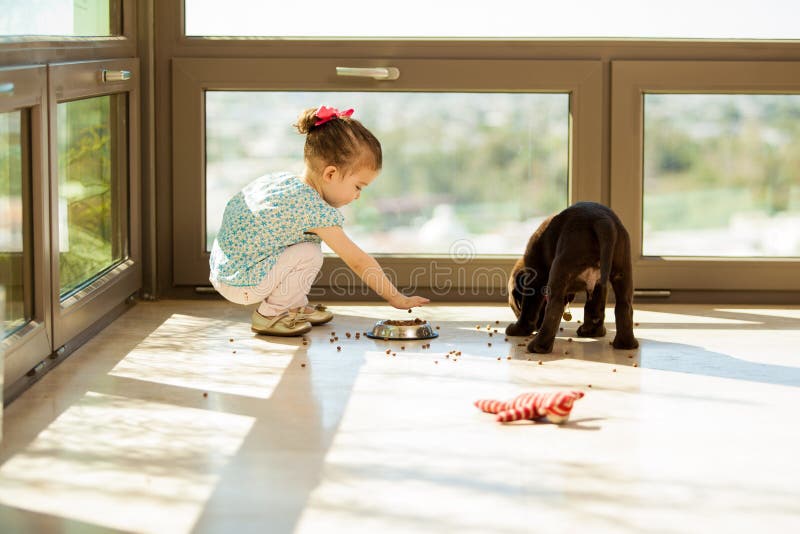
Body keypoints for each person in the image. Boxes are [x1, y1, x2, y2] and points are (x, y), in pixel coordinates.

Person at [209, 105, 430, 336]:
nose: (358, 196)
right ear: (331, 174)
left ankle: (293, 307)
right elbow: (358, 260)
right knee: (310, 253)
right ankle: (271, 315)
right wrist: (395, 297)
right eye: (358, 187)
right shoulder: (314, 210)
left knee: (305, 243)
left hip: (225, 270)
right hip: (241, 283)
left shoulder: (283, 182)